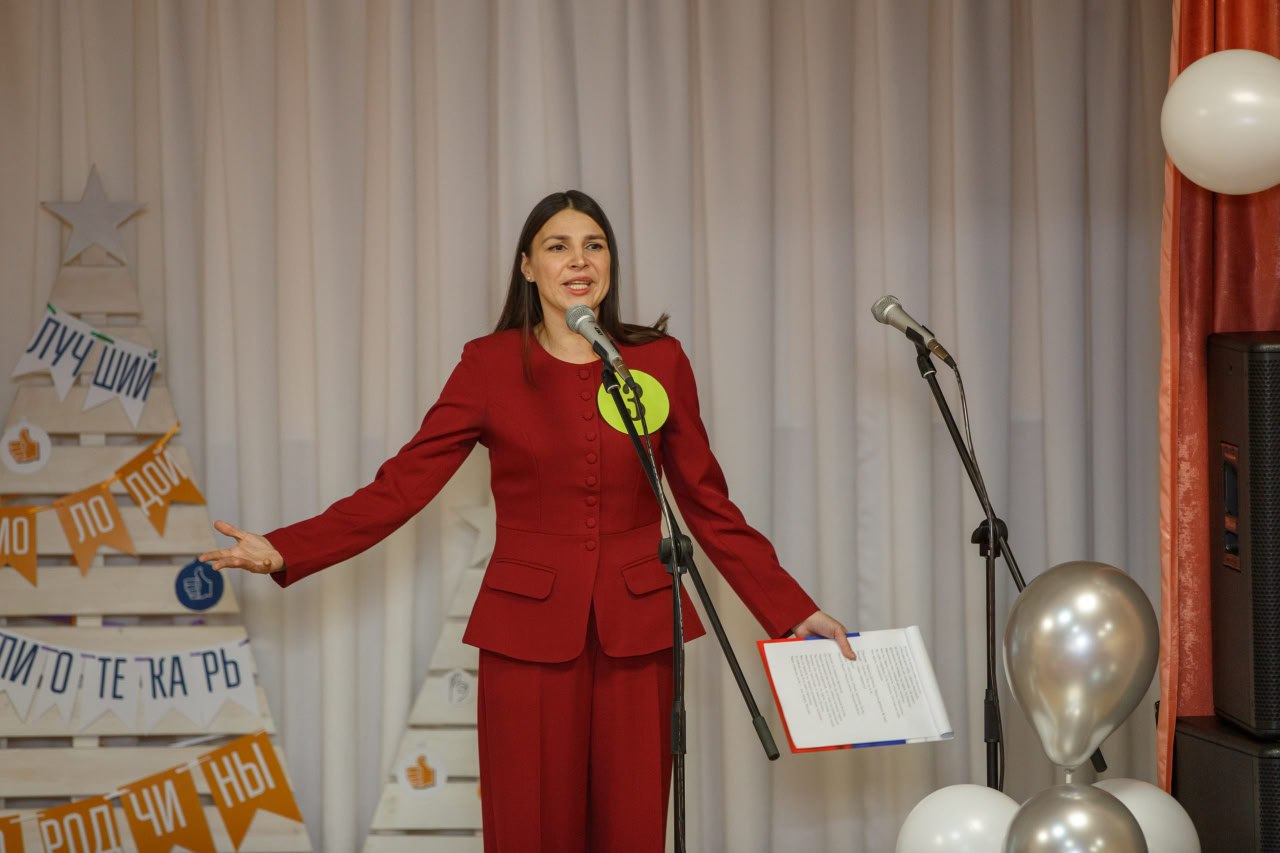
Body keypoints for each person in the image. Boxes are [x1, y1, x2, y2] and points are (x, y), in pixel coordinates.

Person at [200, 190, 854, 853]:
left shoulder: (658, 360)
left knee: (633, 829)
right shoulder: (488, 364)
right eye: (557, 246)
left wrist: (792, 609)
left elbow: (708, 502)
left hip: (640, 630)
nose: (579, 260)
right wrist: (286, 548)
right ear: (527, 266)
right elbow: (403, 485)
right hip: (525, 634)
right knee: (530, 829)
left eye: (594, 245)